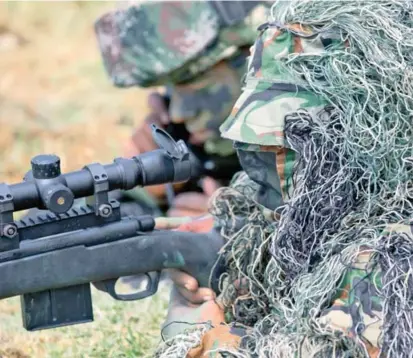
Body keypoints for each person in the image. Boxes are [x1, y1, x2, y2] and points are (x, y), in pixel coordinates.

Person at [156, 0, 413, 357]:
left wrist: (207, 338)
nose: (267, 160)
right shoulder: (307, 219)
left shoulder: (392, 256)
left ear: (363, 140)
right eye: (257, 143)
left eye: (293, 142)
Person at [94, 1, 271, 219]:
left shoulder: (317, 136)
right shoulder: (184, 140)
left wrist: (243, 228)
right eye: (170, 87)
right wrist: (145, 185)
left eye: (193, 83)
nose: (178, 113)